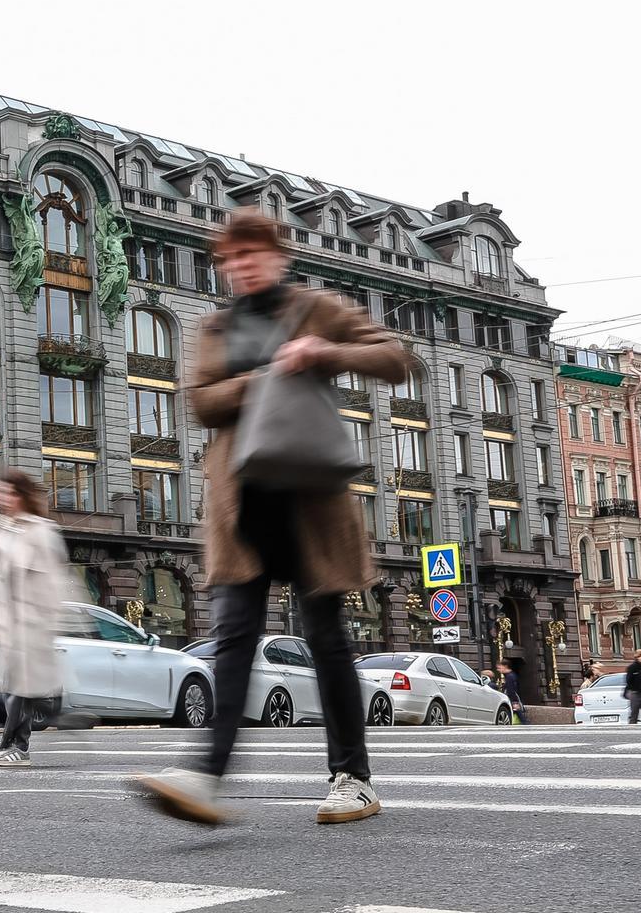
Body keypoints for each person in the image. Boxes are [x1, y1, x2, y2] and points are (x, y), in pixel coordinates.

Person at [139, 210, 409, 827]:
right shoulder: (216, 325)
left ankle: (353, 779)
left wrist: (322, 351)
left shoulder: (316, 307)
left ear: (278, 257)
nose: (242, 266)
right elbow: (200, 402)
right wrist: (263, 379)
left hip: (312, 501)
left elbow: (395, 358)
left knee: (327, 641)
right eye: (231, 259)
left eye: (252, 254)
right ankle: (206, 777)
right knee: (234, 637)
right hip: (243, 505)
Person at [0, 471, 72, 768]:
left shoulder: (41, 531)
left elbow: (53, 580)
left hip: (32, 621)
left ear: (20, 495)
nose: (0, 498)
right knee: (15, 688)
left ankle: (16, 747)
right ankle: (56, 709)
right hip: (8, 622)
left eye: (6, 492)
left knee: (19, 688)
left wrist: (46, 618)